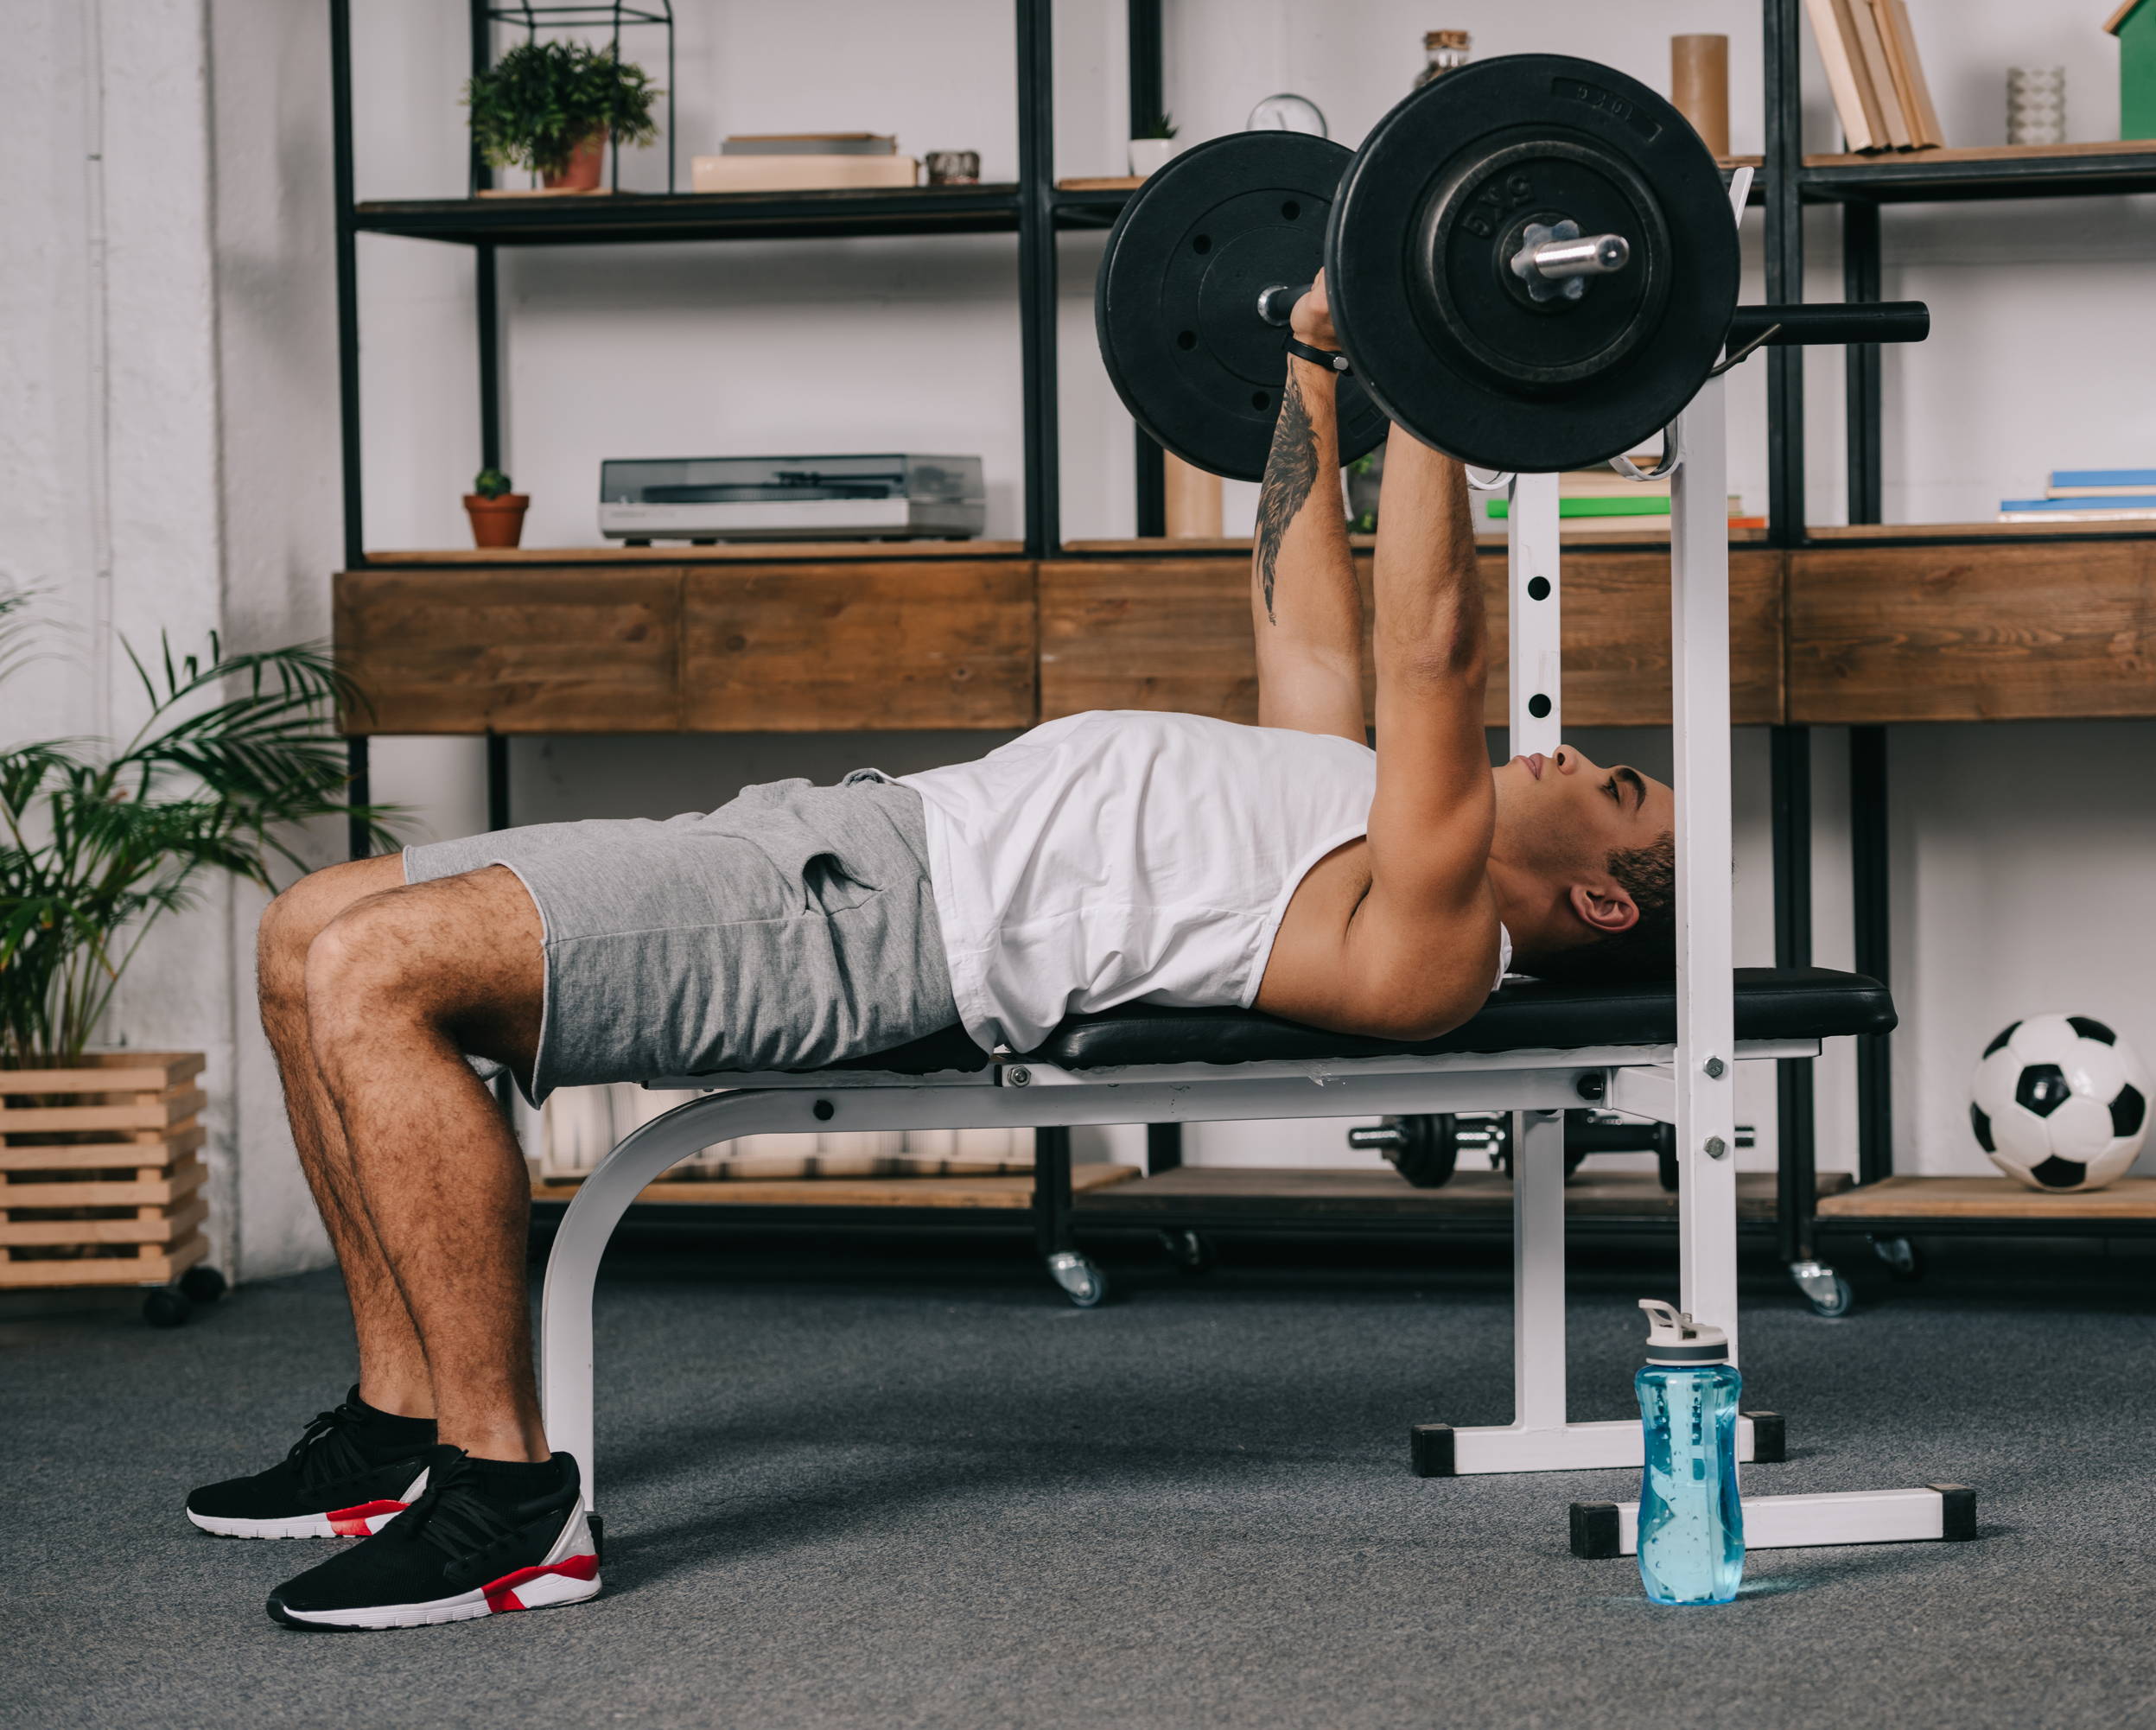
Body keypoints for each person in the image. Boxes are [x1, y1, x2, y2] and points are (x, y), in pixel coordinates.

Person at [195, 274, 1676, 1631]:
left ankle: (508, 1500)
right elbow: (1310, 618)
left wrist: (1423, 364)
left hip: (873, 925)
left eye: (1615, 789)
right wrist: (1316, 355)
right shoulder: (1354, 804)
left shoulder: (1432, 930)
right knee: (302, 929)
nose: (1575, 756)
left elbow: (1439, 658)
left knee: (374, 974)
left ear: (1603, 901)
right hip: (853, 840)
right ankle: (398, 1424)